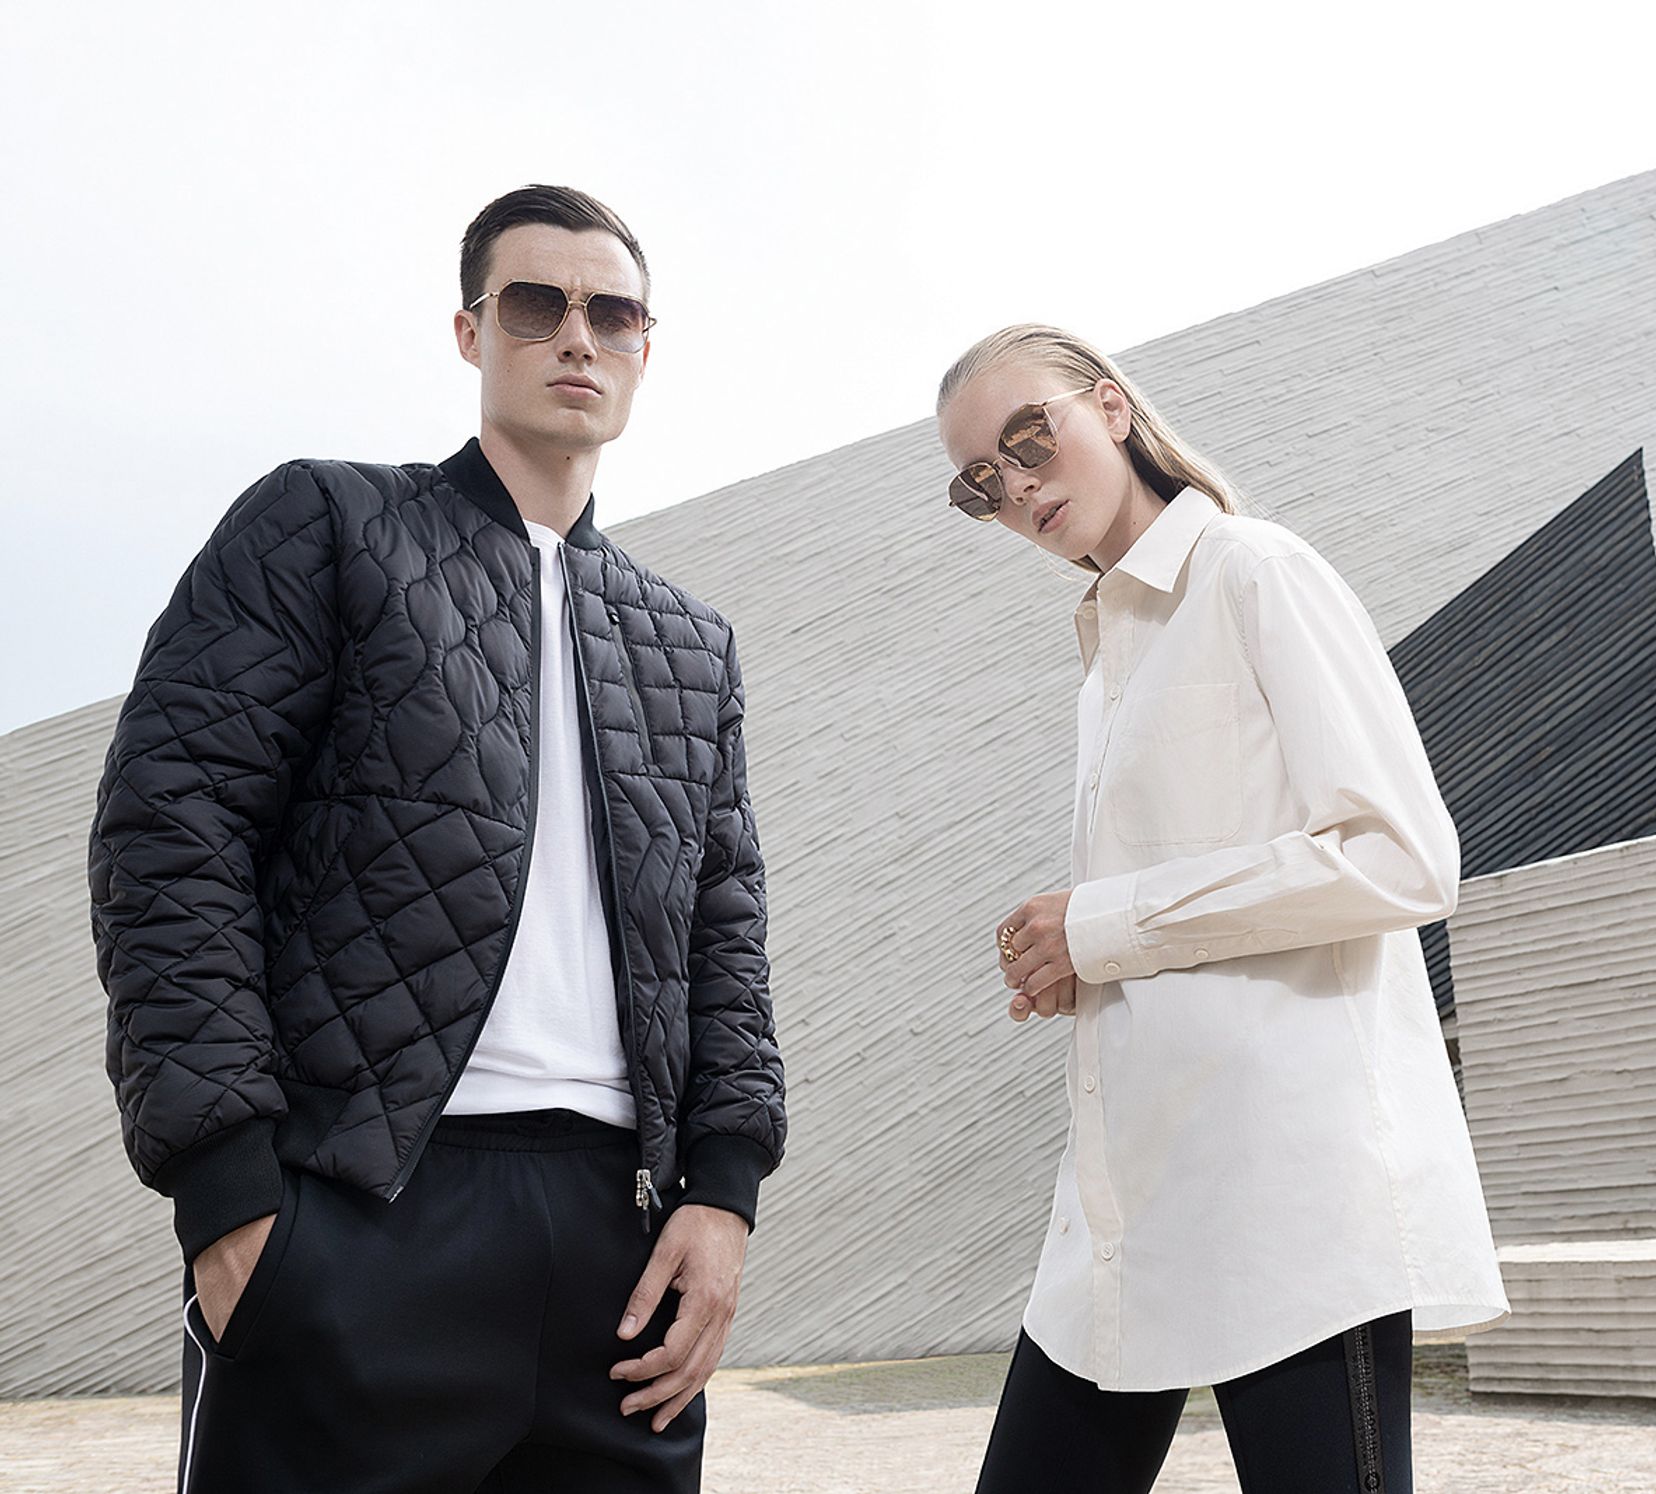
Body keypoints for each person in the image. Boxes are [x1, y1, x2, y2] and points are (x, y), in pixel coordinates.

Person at [86, 184, 784, 1493]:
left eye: (612, 311)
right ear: (472, 332)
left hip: (614, 1251)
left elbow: (725, 925)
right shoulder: (325, 525)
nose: (578, 335)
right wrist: (233, 1197)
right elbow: (168, 831)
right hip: (362, 1214)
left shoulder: (691, 642)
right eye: (538, 304)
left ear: (646, 346)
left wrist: (724, 1189)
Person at [935, 325, 1509, 1494]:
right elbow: (1193, 894)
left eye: (1028, 438)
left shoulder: (1254, 570)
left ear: (1110, 406)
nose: (1016, 488)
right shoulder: (1107, 656)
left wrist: (1104, 924)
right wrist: (1085, 958)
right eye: (979, 484)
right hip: (1127, 1199)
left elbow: (1403, 855)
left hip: (1286, 1191)